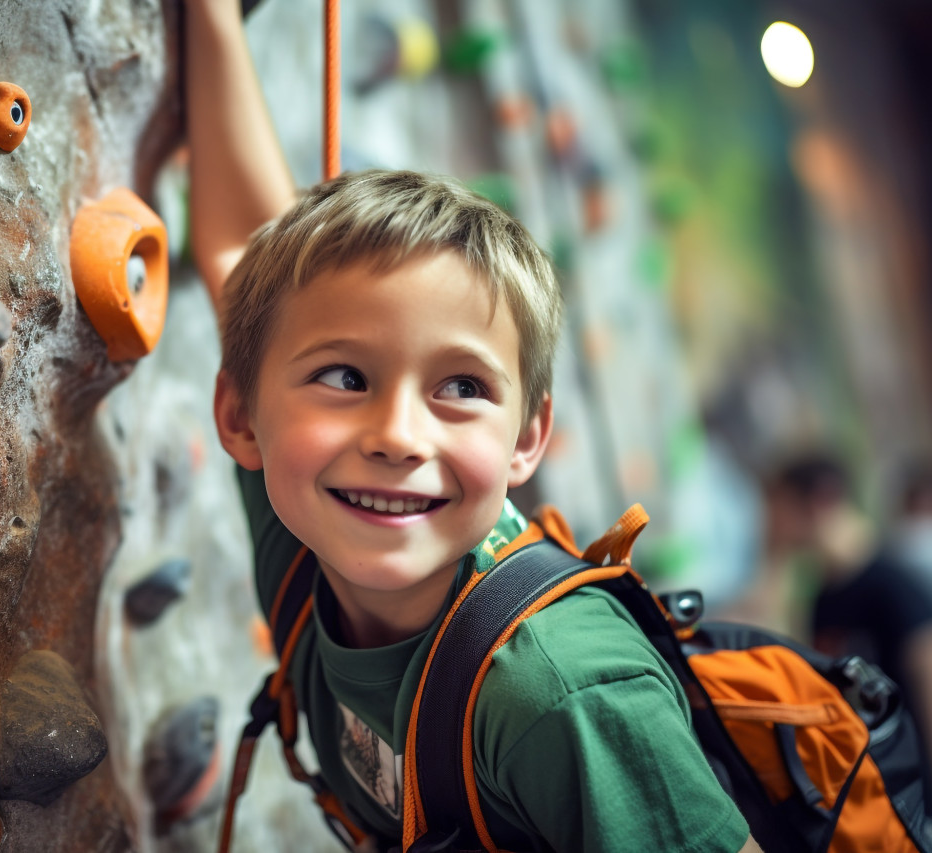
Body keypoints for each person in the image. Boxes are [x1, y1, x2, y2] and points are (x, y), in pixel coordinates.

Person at [184, 2, 759, 849]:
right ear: (243, 417)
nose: (397, 436)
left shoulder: (562, 693)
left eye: (459, 386)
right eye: (345, 376)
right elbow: (244, 256)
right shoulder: (310, 529)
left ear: (529, 437)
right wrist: (210, 18)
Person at [763, 453, 932, 800]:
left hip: (919, 788)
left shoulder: (892, 584)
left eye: (777, 507)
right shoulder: (823, 596)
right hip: (877, 788)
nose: (770, 522)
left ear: (816, 502)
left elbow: (926, 673)